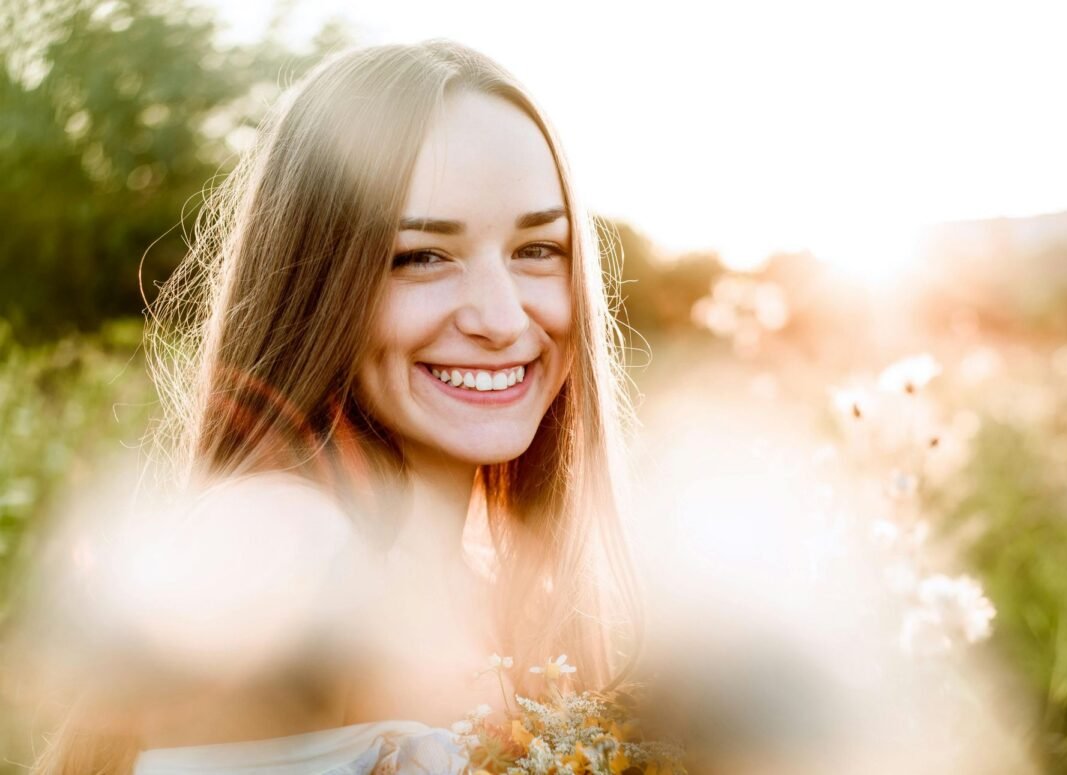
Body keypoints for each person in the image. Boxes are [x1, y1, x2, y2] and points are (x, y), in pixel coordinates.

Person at [17, 38, 645, 774]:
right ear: (319, 282)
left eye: (538, 248)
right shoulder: (276, 559)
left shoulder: (509, 589)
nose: (502, 318)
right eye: (419, 256)